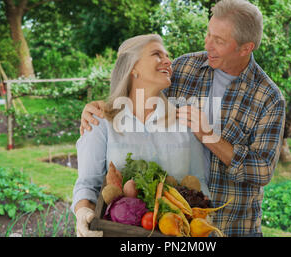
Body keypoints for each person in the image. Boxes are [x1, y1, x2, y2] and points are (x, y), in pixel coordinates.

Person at [80, 0, 285, 237]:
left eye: (219, 41)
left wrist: (210, 137)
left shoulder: (268, 98)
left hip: (233, 226)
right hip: (173, 227)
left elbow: (262, 171)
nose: (208, 44)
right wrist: (103, 109)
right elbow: (141, 90)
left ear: (245, 48)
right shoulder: (186, 67)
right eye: (209, 34)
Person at [71, 34, 211, 237]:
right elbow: (88, 184)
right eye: (156, 54)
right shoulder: (101, 121)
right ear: (132, 68)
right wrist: (83, 212)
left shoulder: (186, 121)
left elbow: (199, 181)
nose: (168, 61)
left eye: (167, 55)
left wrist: (204, 222)